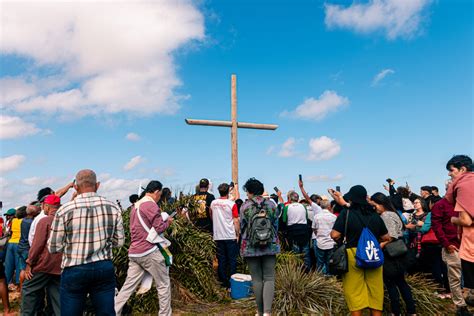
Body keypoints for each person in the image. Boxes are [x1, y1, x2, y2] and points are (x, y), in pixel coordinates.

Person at [48, 169, 124, 316]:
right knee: (106, 312)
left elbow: (53, 246)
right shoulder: (112, 207)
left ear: (76, 187)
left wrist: (72, 245)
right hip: (103, 266)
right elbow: (119, 242)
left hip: (74, 267)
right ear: (98, 185)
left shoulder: (64, 210)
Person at [115, 181, 173, 316]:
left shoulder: (135, 206)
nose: (159, 198)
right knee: (163, 285)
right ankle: (165, 314)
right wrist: (168, 222)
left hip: (135, 252)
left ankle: (113, 312)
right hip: (149, 251)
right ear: (157, 192)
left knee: (127, 287)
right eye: (159, 195)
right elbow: (159, 227)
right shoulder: (151, 205)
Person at [330, 185, 390, 316]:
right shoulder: (375, 216)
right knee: (376, 288)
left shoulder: (346, 214)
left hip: (353, 253)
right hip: (373, 253)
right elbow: (386, 237)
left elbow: (334, 235)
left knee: (354, 290)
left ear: (351, 199)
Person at [370, 192, 416, 316]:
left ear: (380, 204)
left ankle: (396, 311)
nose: (374, 208)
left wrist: (380, 245)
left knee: (391, 284)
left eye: (375, 205)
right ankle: (411, 310)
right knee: (401, 282)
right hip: (399, 253)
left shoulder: (386, 215)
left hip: (391, 254)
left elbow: (391, 236)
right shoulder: (394, 213)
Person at [240, 178, 280, 316]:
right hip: (270, 244)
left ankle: (260, 311)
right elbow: (275, 225)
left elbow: (242, 226)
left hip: (251, 246)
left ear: (250, 192)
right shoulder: (271, 205)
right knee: (269, 277)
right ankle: (267, 313)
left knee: (256, 278)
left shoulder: (245, 206)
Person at [431, 194, 472, 316]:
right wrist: (446, 244)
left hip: (469, 245)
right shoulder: (440, 205)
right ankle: (461, 306)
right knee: (455, 277)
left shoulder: (467, 201)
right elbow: (437, 226)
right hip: (453, 247)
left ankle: (469, 300)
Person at [22, 195, 63, 315]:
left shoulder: (44, 221)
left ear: (47, 206)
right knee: (57, 296)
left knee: (28, 289)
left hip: (44, 265)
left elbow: (37, 245)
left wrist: (29, 263)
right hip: (60, 266)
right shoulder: (64, 220)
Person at [445, 155, 474, 307]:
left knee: (470, 294)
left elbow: (466, 221)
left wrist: (452, 220)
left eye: (451, 170)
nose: (449, 174)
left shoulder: (464, 185)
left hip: (471, 245)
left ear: (463, 169)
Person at [210, 183, 240, 289]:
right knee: (232, 260)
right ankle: (232, 283)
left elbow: (211, 215)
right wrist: (237, 233)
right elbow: (236, 220)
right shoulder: (231, 204)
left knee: (221, 260)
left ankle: (222, 283)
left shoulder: (213, 203)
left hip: (218, 235)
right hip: (230, 235)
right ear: (228, 191)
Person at [29, 183, 74, 247]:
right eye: (53, 194)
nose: (55, 196)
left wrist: (69, 186)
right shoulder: (44, 218)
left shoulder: (40, 217)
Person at [281, 191, 311, 271]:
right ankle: (307, 271)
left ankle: (296, 271)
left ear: (290, 198)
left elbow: (284, 220)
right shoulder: (303, 206)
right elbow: (306, 217)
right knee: (306, 253)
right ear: (297, 199)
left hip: (293, 231)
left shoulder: (287, 207)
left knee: (295, 253)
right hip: (304, 230)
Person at [18, 202, 41, 294]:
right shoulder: (32, 222)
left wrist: (30, 205)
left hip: (21, 246)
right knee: (30, 270)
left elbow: (30, 210)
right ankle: (28, 289)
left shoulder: (23, 220)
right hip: (27, 248)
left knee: (22, 270)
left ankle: (21, 289)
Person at [312, 199, 336, 275]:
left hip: (320, 242)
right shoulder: (333, 217)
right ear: (329, 206)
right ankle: (329, 276)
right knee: (329, 262)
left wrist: (318, 234)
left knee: (320, 262)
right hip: (331, 242)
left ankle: (320, 278)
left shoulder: (316, 216)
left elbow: (314, 228)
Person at [5, 206, 25, 289]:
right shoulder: (23, 221)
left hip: (10, 243)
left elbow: (8, 232)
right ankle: (17, 282)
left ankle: (7, 282)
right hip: (18, 243)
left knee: (8, 264)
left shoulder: (12, 221)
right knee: (18, 264)